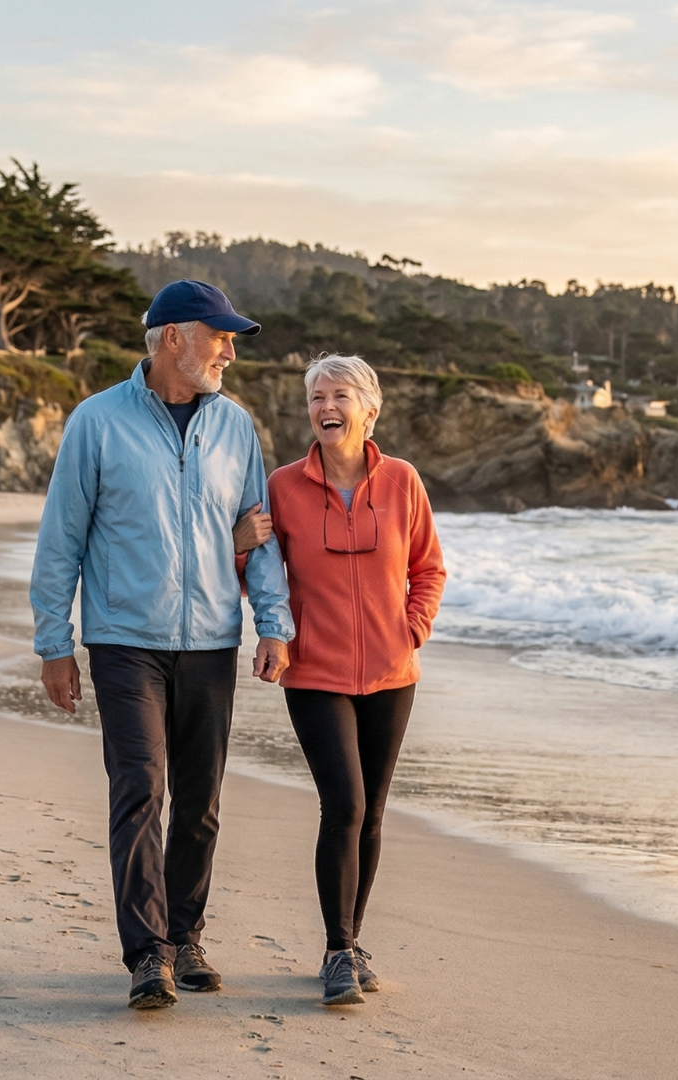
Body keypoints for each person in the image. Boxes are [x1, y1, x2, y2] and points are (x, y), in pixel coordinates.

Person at [29, 279, 294, 1010]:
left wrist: (274, 622)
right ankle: (148, 953)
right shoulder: (97, 422)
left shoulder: (234, 427)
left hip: (211, 639)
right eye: (220, 337)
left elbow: (260, 534)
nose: (229, 353)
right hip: (123, 640)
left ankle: (185, 936)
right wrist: (56, 641)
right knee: (141, 789)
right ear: (174, 336)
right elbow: (62, 539)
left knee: (200, 801)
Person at [252, 354, 444, 1006]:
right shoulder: (282, 486)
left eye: (338, 395)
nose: (324, 407)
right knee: (346, 804)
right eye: (315, 397)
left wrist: (411, 629)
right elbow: (258, 569)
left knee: (374, 811)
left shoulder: (403, 481)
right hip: (315, 672)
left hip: (392, 673)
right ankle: (338, 951)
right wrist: (236, 544)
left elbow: (429, 568)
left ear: (369, 408)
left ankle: (351, 940)